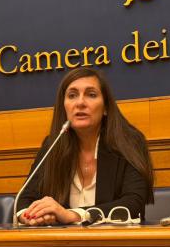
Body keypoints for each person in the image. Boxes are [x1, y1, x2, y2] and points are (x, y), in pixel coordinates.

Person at [16, 67, 154, 225]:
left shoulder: (129, 142)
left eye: (91, 94)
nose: (80, 103)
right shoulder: (52, 145)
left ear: (106, 107)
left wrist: (73, 215)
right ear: (64, 106)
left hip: (116, 239)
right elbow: (24, 199)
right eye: (72, 95)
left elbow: (133, 204)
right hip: (62, 240)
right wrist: (32, 216)